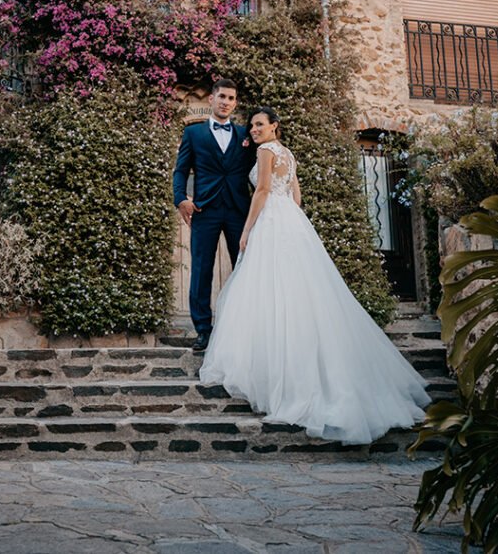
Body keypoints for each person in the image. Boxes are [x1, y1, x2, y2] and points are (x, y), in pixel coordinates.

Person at [198, 107, 430, 444]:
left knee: (271, 290)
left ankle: (275, 374)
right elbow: (296, 193)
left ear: (274, 126)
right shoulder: (287, 153)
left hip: (272, 221)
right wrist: (292, 218)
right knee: (301, 290)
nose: (255, 130)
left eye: (260, 124)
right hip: (291, 220)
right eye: (252, 126)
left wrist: (247, 230)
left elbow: (262, 191)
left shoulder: (265, 151)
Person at [173, 79, 257, 352]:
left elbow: (262, 169)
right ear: (211, 99)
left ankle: (245, 327)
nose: (226, 102)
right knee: (201, 270)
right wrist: (181, 199)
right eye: (221, 96)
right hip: (204, 210)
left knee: (244, 269)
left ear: (235, 103)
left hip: (238, 211)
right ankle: (203, 331)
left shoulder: (246, 134)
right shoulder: (194, 134)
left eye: (231, 98)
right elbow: (180, 170)